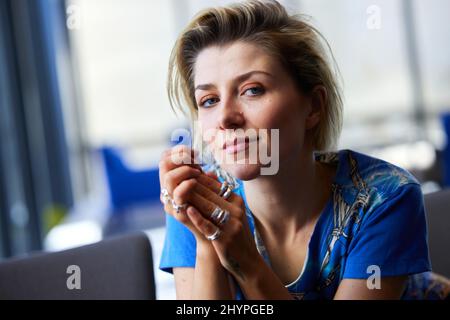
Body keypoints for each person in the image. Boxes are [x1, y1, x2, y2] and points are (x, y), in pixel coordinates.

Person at [158, 0, 439, 300]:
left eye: (252, 90)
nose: (225, 117)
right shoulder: (199, 201)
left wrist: (246, 261)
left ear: (313, 107)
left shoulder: (385, 198)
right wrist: (206, 243)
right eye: (209, 100)